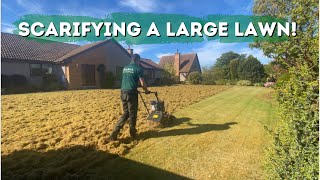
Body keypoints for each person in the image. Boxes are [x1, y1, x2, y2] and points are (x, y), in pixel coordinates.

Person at [109, 54, 150, 140]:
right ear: (137, 60)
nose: (139, 63)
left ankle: (114, 132)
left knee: (126, 113)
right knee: (132, 114)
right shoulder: (138, 69)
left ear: (131, 60)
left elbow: (128, 80)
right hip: (131, 94)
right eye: (139, 61)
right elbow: (142, 83)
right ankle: (133, 134)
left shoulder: (125, 68)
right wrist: (146, 91)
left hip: (123, 92)